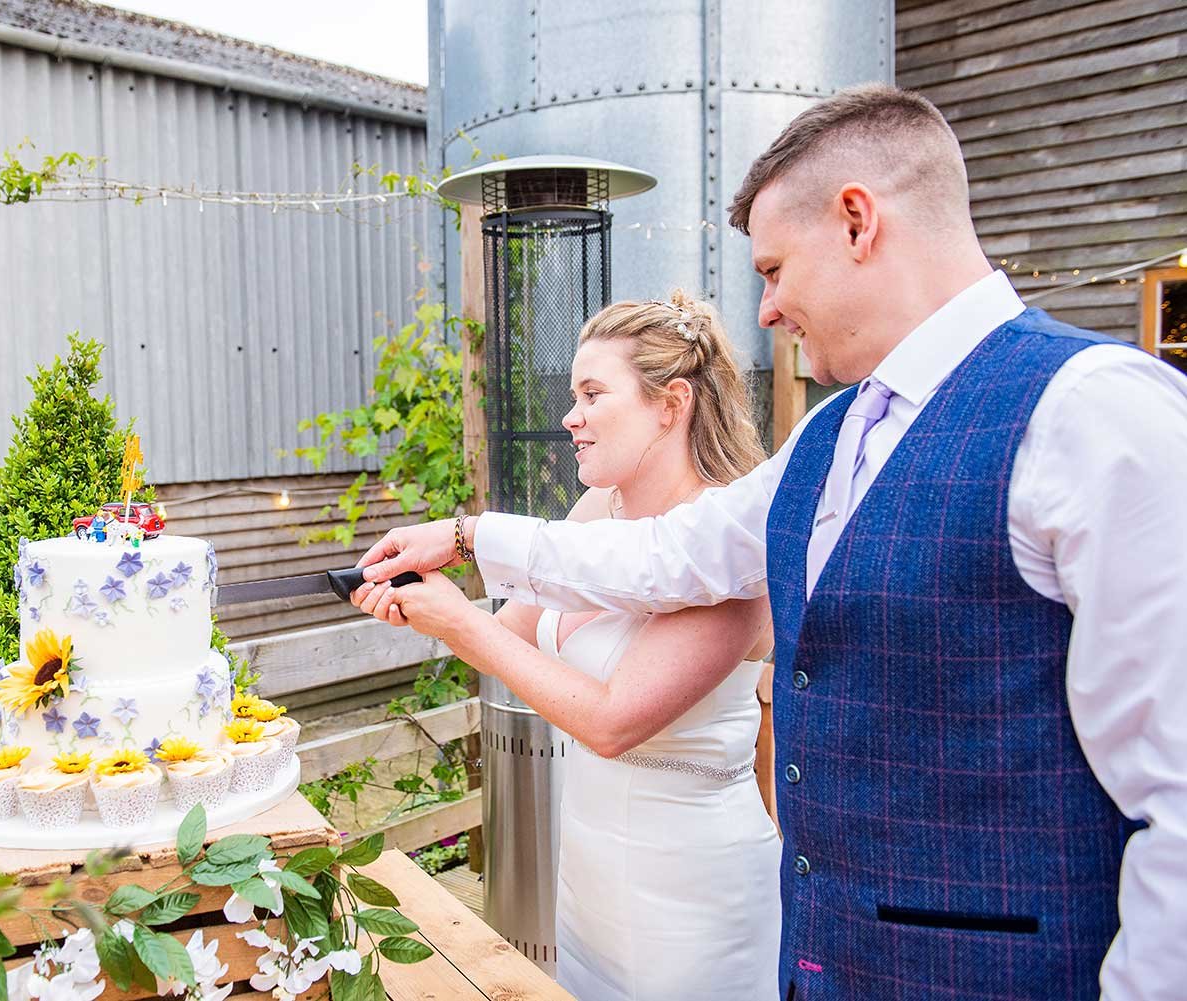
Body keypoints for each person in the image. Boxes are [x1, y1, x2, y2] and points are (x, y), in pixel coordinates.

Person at [353, 83, 1187, 1001]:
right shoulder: (827, 440)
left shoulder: (1095, 414)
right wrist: (470, 534)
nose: (764, 310)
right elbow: (661, 557)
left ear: (858, 223)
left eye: (776, 269)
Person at [371, 292, 781, 999]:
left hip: (691, 888)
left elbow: (613, 720)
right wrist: (421, 603)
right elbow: (507, 637)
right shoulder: (598, 511)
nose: (570, 416)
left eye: (593, 393)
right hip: (588, 869)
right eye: (572, 394)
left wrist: (459, 623)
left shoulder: (726, 549)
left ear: (670, 403)